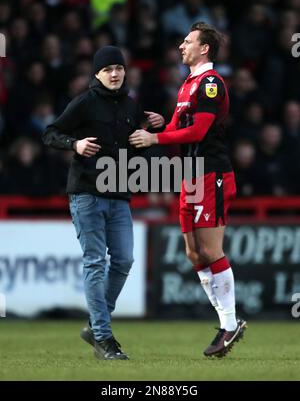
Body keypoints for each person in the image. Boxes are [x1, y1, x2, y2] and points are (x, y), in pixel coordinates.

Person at [129, 22, 247, 358]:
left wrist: (156, 138)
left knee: (211, 250)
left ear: (205, 48)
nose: (182, 46)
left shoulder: (210, 83)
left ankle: (228, 324)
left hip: (212, 174)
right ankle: (227, 322)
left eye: (188, 41)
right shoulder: (187, 85)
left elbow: (198, 132)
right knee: (194, 253)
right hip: (189, 175)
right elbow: (181, 129)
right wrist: (161, 126)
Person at [43, 45, 164, 360]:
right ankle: (102, 336)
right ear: (96, 74)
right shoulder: (84, 103)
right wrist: (75, 143)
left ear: (125, 72)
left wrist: (154, 130)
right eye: (108, 69)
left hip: (119, 195)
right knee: (96, 262)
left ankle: (97, 324)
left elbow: (135, 148)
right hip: (86, 194)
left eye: (119, 68)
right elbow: (50, 133)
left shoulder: (131, 106)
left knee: (123, 261)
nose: (114, 73)